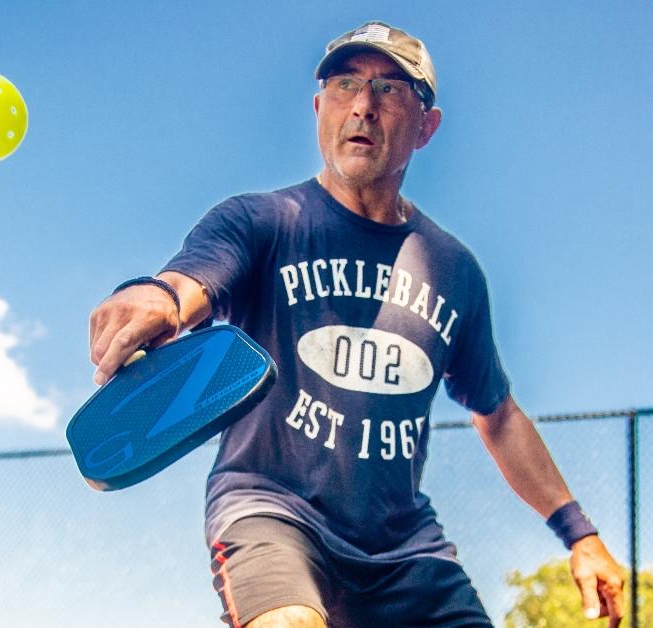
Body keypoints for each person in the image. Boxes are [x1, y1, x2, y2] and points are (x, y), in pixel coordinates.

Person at [88, 21, 624, 628]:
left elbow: (496, 413)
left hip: (406, 551)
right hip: (271, 513)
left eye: (391, 89)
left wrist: (580, 534)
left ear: (426, 127)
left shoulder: (454, 269)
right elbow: (188, 284)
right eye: (346, 84)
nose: (363, 106)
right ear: (320, 108)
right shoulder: (262, 221)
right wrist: (153, 295)